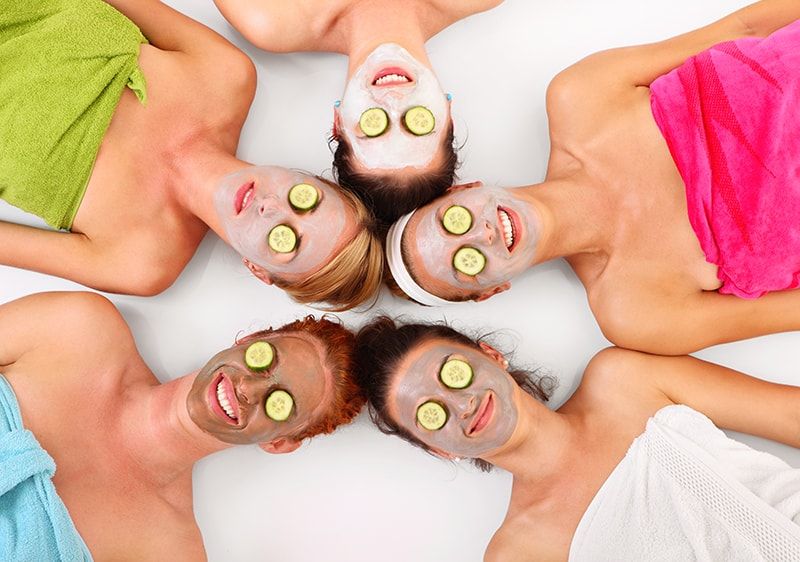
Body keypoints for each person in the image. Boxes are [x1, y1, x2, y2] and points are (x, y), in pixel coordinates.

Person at [385, 0, 800, 352]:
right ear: (489, 291)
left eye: (452, 221)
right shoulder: (635, 311)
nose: (483, 235)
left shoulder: (581, 97)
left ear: (464, 188)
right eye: (466, 261)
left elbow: (746, 26)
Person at [0, 0, 383, 310]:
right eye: (307, 201)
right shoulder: (228, 76)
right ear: (309, 178)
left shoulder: (142, 263)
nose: (273, 209)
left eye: (287, 240)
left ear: (258, 270)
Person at [354, 316, 800, 561]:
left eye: (452, 374)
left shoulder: (621, 380)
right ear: (439, 448)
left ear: (491, 355)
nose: (462, 404)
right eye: (431, 415)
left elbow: (788, 414)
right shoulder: (517, 552)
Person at [0, 291, 364, 559]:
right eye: (264, 360)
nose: (248, 389)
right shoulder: (77, 330)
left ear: (279, 443)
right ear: (249, 340)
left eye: (279, 403)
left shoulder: (170, 550)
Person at [213, 0, 503, 224]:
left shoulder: (268, 17)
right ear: (448, 112)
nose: (392, 100)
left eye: (374, 126)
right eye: (418, 123)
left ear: (338, 123)